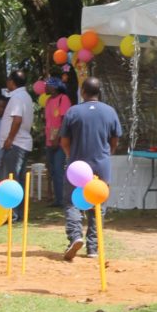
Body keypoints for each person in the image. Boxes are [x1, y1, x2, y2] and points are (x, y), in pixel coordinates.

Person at [60, 78, 122, 261]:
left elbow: (64, 141)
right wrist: (105, 155)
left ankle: (75, 236)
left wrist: (72, 157)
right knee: (98, 204)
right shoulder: (110, 112)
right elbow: (115, 141)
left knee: (72, 202)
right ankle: (93, 248)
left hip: (78, 166)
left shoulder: (73, 111)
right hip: (101, 164)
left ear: (82, 91)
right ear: (99, 91)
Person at [0, 69, 34, 223]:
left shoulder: (17, 98)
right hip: (21, 143)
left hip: (16, 143)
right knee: (17, 180)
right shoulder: (24, 96)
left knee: (11, 180)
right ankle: (18, 213)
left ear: (12, 82)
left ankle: (12, 214)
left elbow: (17, 120)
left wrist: (9, 139)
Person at [44, 78, 72, 207]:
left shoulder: (63, 99)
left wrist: (57, 138)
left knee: (59, 169)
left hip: (60, 141)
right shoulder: (48, 101)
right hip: (49, 140)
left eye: (47, 85)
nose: (45, 87)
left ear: (54, 87)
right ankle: (57, 199)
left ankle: (63, 200)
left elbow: (64, 121)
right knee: (53, 171)